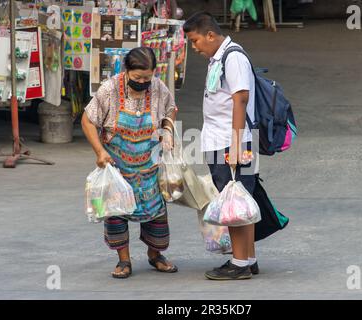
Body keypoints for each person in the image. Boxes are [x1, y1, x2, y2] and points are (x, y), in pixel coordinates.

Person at [82, 47, 178, 279]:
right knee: (116, 214)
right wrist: (99, 151)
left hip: (149, 166)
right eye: (137, 78)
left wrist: (168, 131)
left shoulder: (158, 87)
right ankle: (124, 261)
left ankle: (155, 256)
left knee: (156, 213)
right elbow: (88, 120)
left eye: (148, 77)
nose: (143, 82)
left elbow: (171, 109)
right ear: (126, 71)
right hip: (117, 166)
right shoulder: (110, 89)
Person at [183, 12, 260, 280]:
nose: (194, 48)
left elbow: (240, 99)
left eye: (195, 41)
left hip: (231, 143)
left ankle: (239, 264)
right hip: (223, 141)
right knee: (240, 200)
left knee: (233, 202)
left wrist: (236, 145)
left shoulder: (233, 57)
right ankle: (247, 258)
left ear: (211, 35)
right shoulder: (220, 58)